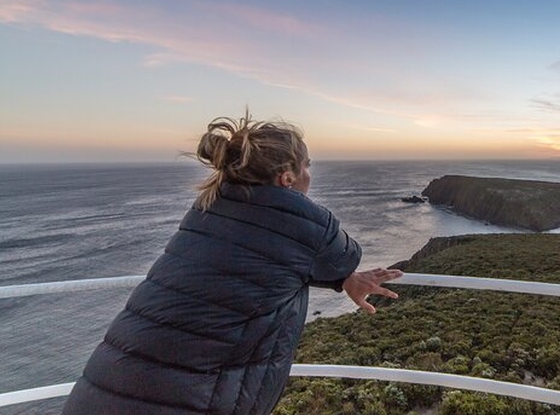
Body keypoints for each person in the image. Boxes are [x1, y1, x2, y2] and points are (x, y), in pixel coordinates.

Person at [62, 112, 403, 415]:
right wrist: (344, 277)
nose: (310, 175)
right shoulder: (307, 221)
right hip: (192, 398)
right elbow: (343, 256)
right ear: (287, 178)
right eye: (307, 166)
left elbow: (259, 257)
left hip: (106, 382)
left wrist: (340, 278)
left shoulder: (208, 205)